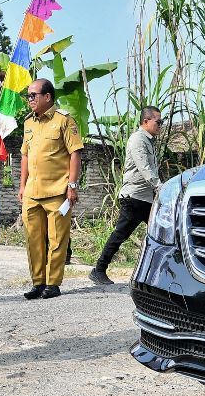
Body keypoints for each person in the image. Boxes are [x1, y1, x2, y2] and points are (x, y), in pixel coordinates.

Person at [19, 78, 83, 299]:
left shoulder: (64, 121)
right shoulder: (28, 123)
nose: (30, 99)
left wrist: (72, 186)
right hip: (31, 192)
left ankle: (53, 283)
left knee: (57, 240)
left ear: (47, 97)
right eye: (28, 96)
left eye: (33, 95)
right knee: (33, 240)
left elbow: (75, 153)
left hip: (57, 191)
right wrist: (21, 185)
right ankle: (38, 282)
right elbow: (25, 156)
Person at [89, 106, 163, 285]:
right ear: (145, 122)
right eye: (158, 122)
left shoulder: (149, 141)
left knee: (161, 232)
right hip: (134, 198)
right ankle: (99, 270)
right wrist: (161, 187)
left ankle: (158, 274)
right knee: (121, 234)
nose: (160, 125)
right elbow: (145, 168)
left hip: (145, 198)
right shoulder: (138, 140)